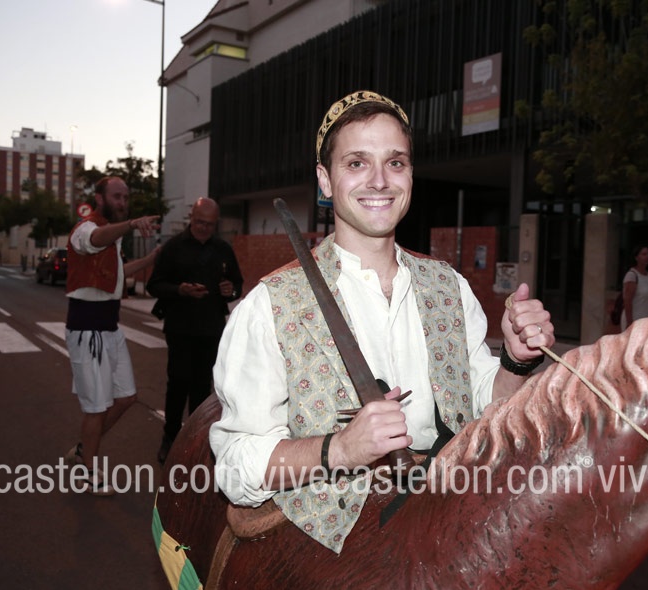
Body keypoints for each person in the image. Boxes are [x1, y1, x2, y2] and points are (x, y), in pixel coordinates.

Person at [209, 90, 554, 553]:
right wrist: (339, 449)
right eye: (356, 163)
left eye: (395, 162)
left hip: (448, 517)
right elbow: (235, 467)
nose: (379, 181)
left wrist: (514, 360)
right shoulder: (269, 305)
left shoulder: (449, 287)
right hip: (327, 547)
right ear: (325, 180)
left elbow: (483, 404)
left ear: (410, 174)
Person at [64, 176, 160, 495]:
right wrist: (131, 224)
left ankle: (83, 449)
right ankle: (88, 472)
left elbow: (118, 275)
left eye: (126, 197)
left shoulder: (112, 236)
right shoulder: (85, 229)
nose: (123, 202)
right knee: (96, 407)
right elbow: (95, 239)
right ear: (100, 199)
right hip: (87, 329)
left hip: (110, 328)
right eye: (117, 197)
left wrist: (152, 259)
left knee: (127, 397)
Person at [146, 197, 243, 465]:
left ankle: (196, 443)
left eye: (209, 224)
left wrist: (230, 290)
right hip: (180, 327)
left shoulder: (223, 249)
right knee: (177, 383)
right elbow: (154, 285)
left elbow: (237, 284)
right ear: (191, 218)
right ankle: (170, 437)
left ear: (216, 224)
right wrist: (180, 289)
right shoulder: (173, 247)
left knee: (203, 388)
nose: (203, 228)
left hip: (211, 328)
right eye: (200, 222)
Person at [620, 245, 648, 331]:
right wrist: (629, 322)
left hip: (647, 322)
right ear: (636, 257)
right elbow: (627, 301)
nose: (647, 257)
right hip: (635, 321)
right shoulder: (632, 275)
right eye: (644, 254)